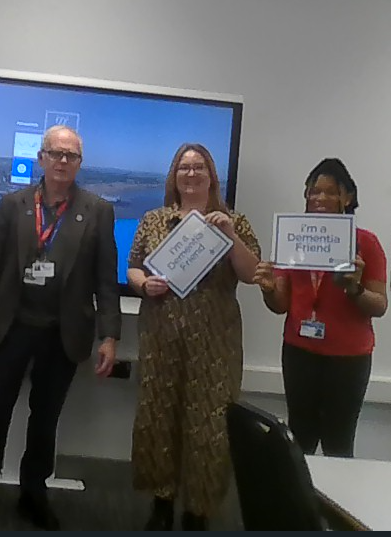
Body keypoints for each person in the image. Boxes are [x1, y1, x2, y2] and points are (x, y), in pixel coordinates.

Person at [0, 125, 120, 531]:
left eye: (70, 156)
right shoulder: (11, 204)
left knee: (46, 418)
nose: (62, 162)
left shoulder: (98, 211)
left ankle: (34, 494)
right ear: (40, 158)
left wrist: (109, 335)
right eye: (55, 153)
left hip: (64, 332)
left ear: (79, 163)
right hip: (10, 325)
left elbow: (106, 280)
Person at [125, 143, 261, 531]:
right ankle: (162, 500)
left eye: (198, 166)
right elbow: (133, 267)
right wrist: (143, 283)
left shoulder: (235, 221)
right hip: (161, 333)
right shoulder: (154, 220)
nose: (191, 173)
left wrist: (230, 235)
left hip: (215, 342)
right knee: (158, 415)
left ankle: (198, 508)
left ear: (211, 175)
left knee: (210, 423)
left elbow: (253, 274)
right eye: (183, 167)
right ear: (174, 176)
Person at [254, 157, 388, 458]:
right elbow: (280, 305)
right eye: (313, 192)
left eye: (329, 192)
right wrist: (268, 289)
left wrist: (354, 289)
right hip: (299, 353)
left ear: (347, 197)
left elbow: (379, 305)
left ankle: (332, 505)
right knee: (299, 440)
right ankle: (298, 505)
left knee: (338, 444)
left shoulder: (365, 243)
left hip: (348, 360)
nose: (319, 198)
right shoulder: (294, 239)